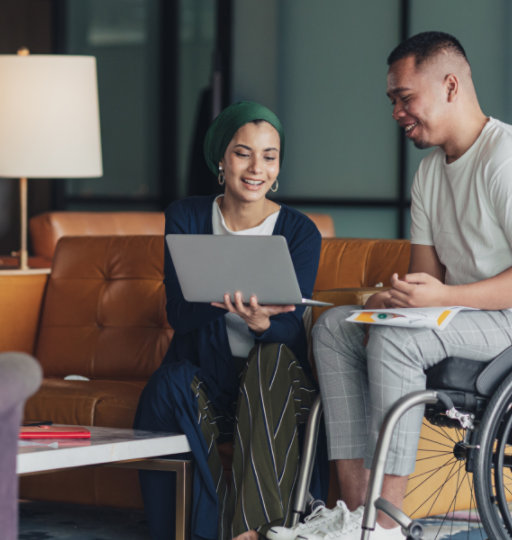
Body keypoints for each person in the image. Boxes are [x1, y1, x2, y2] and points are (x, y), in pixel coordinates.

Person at [269, 31, 512, 540]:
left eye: (405, 98)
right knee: (333, 328)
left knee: (399, 338)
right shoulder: (430, 174)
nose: (397, 111)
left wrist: (440, 300)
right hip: (470, 319)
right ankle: (357, 515)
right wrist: (391, 300)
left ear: (451, 87)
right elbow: (427, 280)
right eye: (393, 100)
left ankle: (387, 522)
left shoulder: (511, 158)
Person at [134, 101, 328, 540]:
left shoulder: (299, 231)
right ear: (221, 159)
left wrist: (261, 323)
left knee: (271, 360)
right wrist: (221, 296)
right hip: (213, 385)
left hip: (277, 390)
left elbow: (289, 324)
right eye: (243, 153)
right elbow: (179, 314)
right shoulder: (186, 216)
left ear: (279, 165)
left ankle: (252, 532)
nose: (256, 167)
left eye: (269, 156)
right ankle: (207, 530)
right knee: (168, 384)